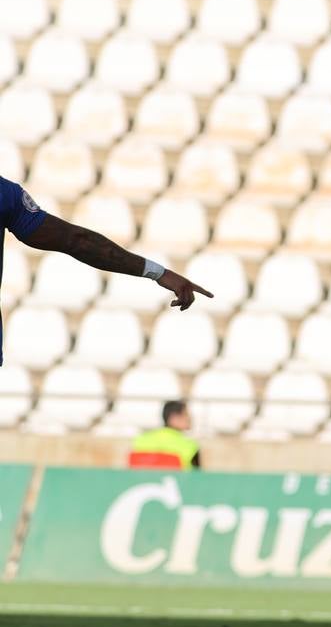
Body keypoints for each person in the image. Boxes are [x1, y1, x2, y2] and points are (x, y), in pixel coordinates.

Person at [0, 176, 211, 367]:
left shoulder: (6, 194)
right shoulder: (4, 193)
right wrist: (159, 273)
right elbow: (76, 241)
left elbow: (76, 241)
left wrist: (158, 272)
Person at [129, 400, 201, 469]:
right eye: (186, 414)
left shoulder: (141, 439)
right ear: (174, 418)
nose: (190, 418)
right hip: (178, 481)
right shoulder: (190, 446)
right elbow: (197, 476)